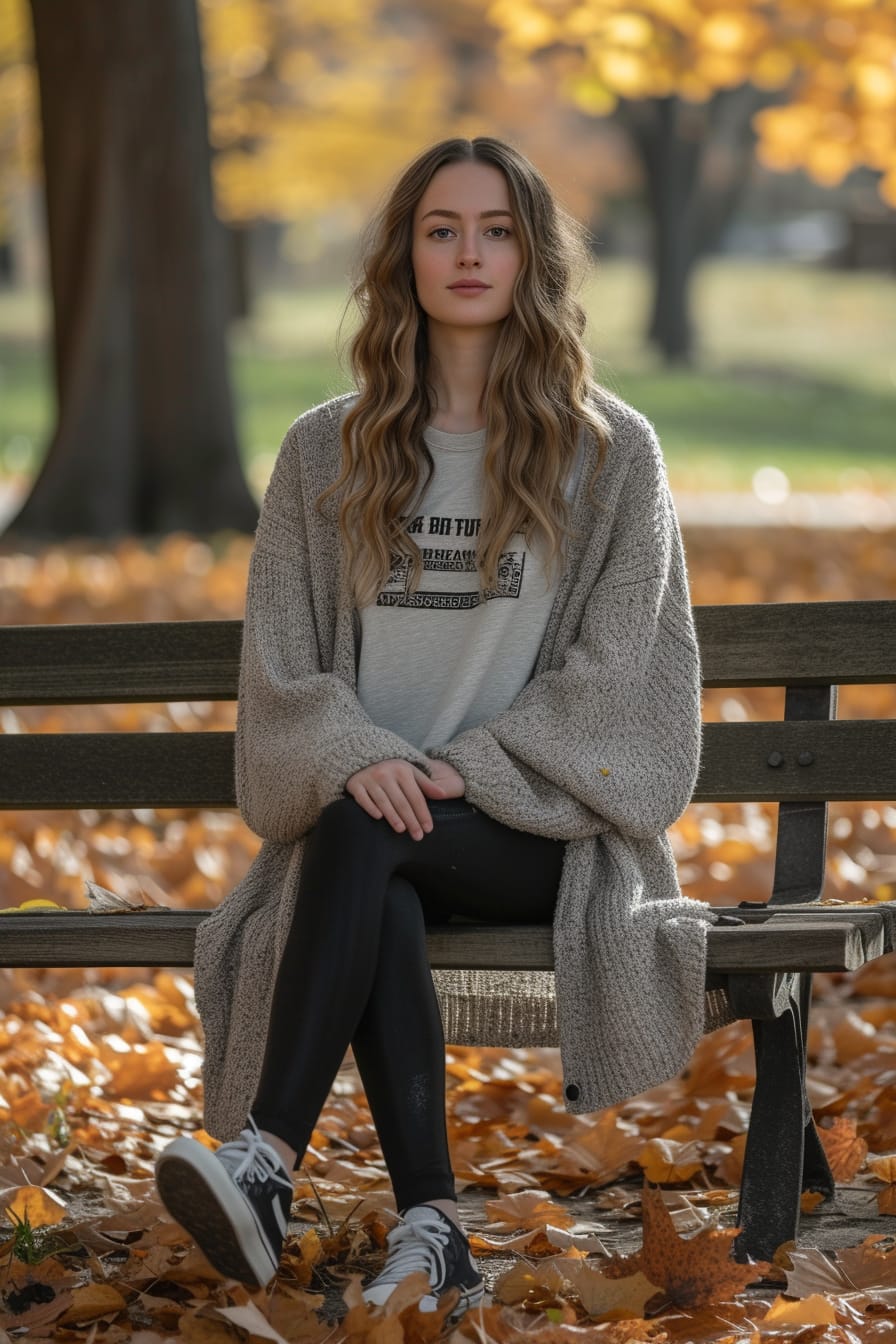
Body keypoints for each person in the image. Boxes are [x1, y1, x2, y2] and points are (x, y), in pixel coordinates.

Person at [154, 135, 713, 1318]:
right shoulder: (325, 451)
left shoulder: (608, 454)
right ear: (404, 256)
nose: (468, 253)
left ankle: (264, 1164)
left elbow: (624, 680)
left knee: (373, 829)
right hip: (376, 841)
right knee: (372, 846)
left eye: (497, 229)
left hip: (536, 832)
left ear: (532, 257)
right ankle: (433, 1229)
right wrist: (363, 759)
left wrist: (458, 770)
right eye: (441, 228)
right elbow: (282, 673)